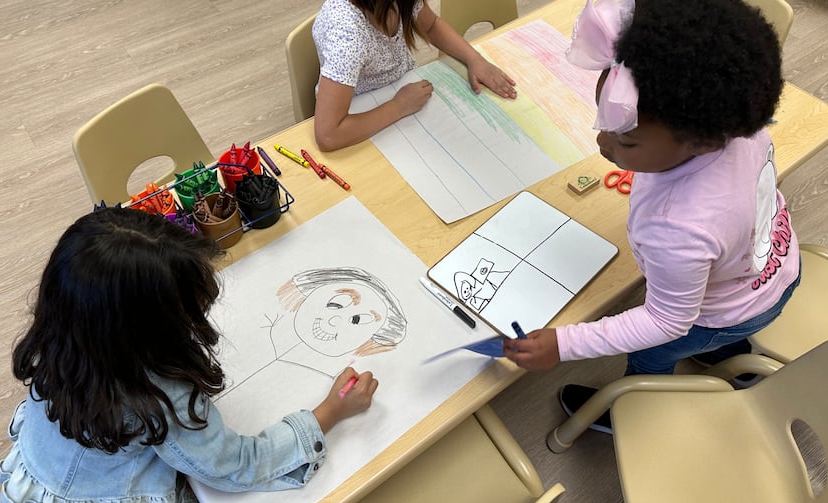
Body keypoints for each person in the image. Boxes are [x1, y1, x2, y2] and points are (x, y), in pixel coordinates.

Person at [0, 208, 378, 503]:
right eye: (189, 309)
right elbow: (235, 466)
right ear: (151, 329)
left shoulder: (68, 338)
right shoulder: (158, 393)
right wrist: (330, 412)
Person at [503, 0, 801, 433]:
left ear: (697, 141)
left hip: (721, 309)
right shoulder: (739, 122)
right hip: (778, 270)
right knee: (723, 326)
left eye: (626, 138)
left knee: (651, 355)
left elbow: (665, 321)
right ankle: (734, 358)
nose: (603, 141)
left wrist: (564, 343)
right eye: (605, 120)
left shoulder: (676, 226)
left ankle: (632, 412)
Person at [312, 0, 517, 151]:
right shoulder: (347, 32)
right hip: (360, 116)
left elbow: (431, 26)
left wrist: (475, 59)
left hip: (402, 94)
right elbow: (329, 134)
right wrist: (398, 106)